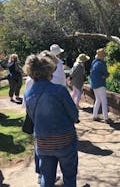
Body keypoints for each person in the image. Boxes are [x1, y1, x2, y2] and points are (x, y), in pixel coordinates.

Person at [23, 54, 79, 187]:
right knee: (69, 177)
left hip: (42, 142)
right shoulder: (59, 90)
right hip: (65, 140)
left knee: (47, 178)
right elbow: (74, 116)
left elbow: (32, 117)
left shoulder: (28, 94)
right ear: (49, 70)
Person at [89, 48, 111, 123]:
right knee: (104, 101)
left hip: (94, 84)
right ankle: (106, 118)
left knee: (98, 100)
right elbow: (106, 73)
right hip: (100, 84)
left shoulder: (94, 62)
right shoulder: (101, 64)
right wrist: (106, 75)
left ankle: (95, 116)